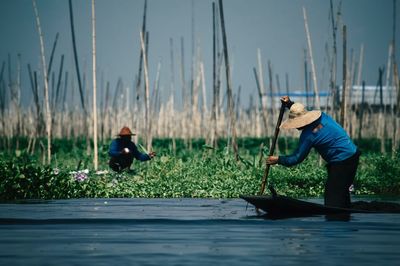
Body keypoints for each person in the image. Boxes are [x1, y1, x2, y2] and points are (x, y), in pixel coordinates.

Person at [266, 96, 360, 208]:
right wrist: (290, 104)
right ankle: (345, 213)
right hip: (352, 154)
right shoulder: (323, 117)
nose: (296, 127)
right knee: (341, 195)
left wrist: (278, 159)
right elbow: (301, 112)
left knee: (333, 200)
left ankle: (340, 217)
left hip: (342, 162)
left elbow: (296, 158)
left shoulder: (308, 135)